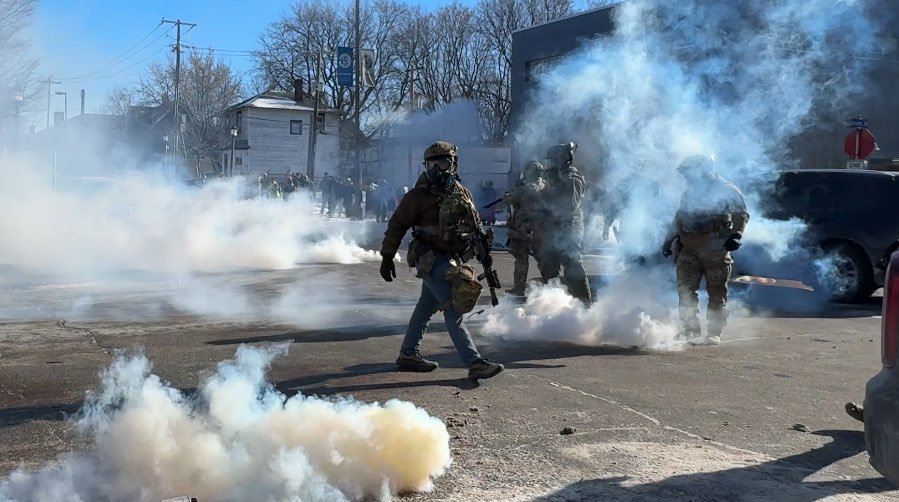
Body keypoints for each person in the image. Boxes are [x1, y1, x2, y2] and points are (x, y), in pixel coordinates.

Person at [379, 141, 504, 380]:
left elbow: (474, 226)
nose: (437, 168)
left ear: (453, 164)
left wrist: (482, 253)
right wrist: (387, 256)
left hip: (452, 258)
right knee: (454, 307)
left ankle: (408, 354)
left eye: (443, 163)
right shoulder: (417, 196)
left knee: (425, 307)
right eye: (431, 163)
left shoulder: (461, 192)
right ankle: (474, 362)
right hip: (429, 258)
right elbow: (396, 225)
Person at [661, 154, 750, 345]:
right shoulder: (689, 192)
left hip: (714, 249)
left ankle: (714, 331)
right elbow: (679, 217)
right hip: (688, 249)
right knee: (685, 292)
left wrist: (736, 235)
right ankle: (690, 330)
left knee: (716, 291)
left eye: (689, 172)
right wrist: (668, 240)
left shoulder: (726, 190)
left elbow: (741, 214)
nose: (687, 177)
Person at [537, 142, 592, 305]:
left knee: (573, 265)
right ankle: (551, 305)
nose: (551, 164)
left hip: (569, 227)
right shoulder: (556, 178)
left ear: (562, 159)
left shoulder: (572, 178)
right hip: (553, 227)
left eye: (554, 160)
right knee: (548, 266)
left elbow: (570, 206)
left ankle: (584, 303)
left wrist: (550, 193)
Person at [503, 160, 546, 296]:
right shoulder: (544, 185)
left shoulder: (526, 188)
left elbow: (507, 200)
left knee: (521, 259)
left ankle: (519, 288)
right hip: (540, 229)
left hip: (523, 228)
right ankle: (550, 285)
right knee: (542, 260)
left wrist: (511, 192)